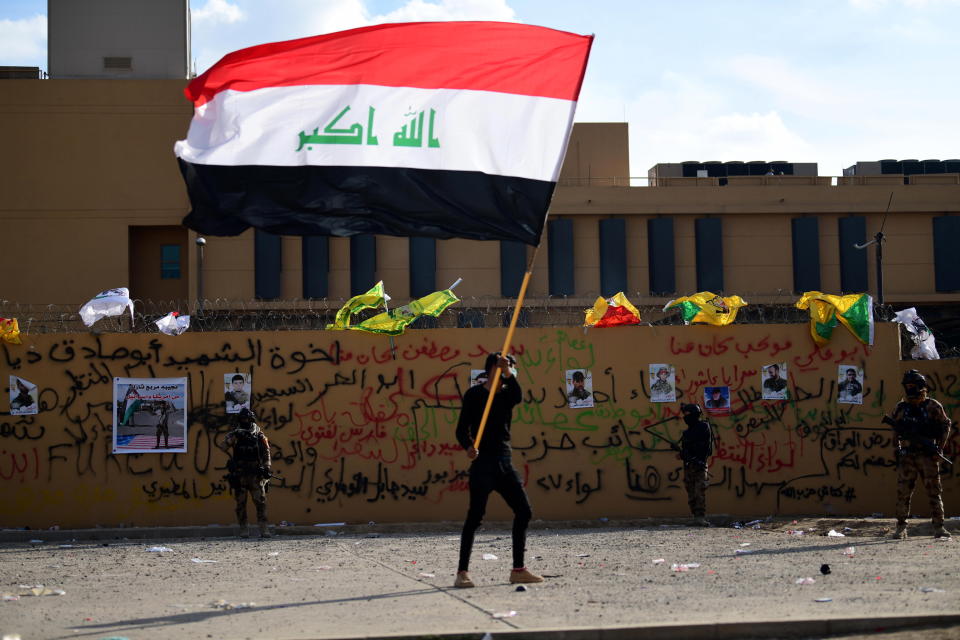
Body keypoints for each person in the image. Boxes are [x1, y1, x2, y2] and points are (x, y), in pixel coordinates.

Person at [454, 352, 542, 588]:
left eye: (511, 369)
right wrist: (469, 447)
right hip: (483, 464)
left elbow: (518, 395)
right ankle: (462, 572)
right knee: (475, 517)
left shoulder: (506, 395)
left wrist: (507, 372)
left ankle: (518, 569)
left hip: (504, 462)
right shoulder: (474, 395)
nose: (510, 372)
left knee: (524, 511)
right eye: (504, 367)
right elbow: (461, 430)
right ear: (492, 368)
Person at [886, 370, 952, 539]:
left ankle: (939, 527)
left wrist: (939, 448)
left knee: (934, 492)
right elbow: (895, 431)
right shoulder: (901, 407)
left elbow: (945, 425)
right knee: (903, 493)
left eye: (912, 386)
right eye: (907, 386)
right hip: (907, 456)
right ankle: (901, 528)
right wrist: (897, 451)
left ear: (921, 387)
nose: (910, 390)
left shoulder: (933, 406)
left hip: (928, 457)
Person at [218, 408, 273, 538]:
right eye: (243, 419)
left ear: (251, 419)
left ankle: (264, 528)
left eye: (247, 419)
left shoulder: (259, 435)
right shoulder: (236, 434)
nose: (245, 421)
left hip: (255, 475)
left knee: (261, 502)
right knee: (241, 503)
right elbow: (223, 446)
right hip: (240, 474)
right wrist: (233, 436)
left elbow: (267, 452)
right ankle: (244, 528)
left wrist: (267, 467)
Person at [672, 404, 713, 526]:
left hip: (699, 464)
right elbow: (687, 449)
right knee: (690, 491)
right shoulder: (687, 432)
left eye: (687, 415)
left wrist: (686, 453)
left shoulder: (703, 427)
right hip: (689, 465)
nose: (685, 417)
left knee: (699, 491)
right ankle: (695, 517)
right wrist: (681, 453)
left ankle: (700, 517)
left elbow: (701, 447)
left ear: (695, 414)